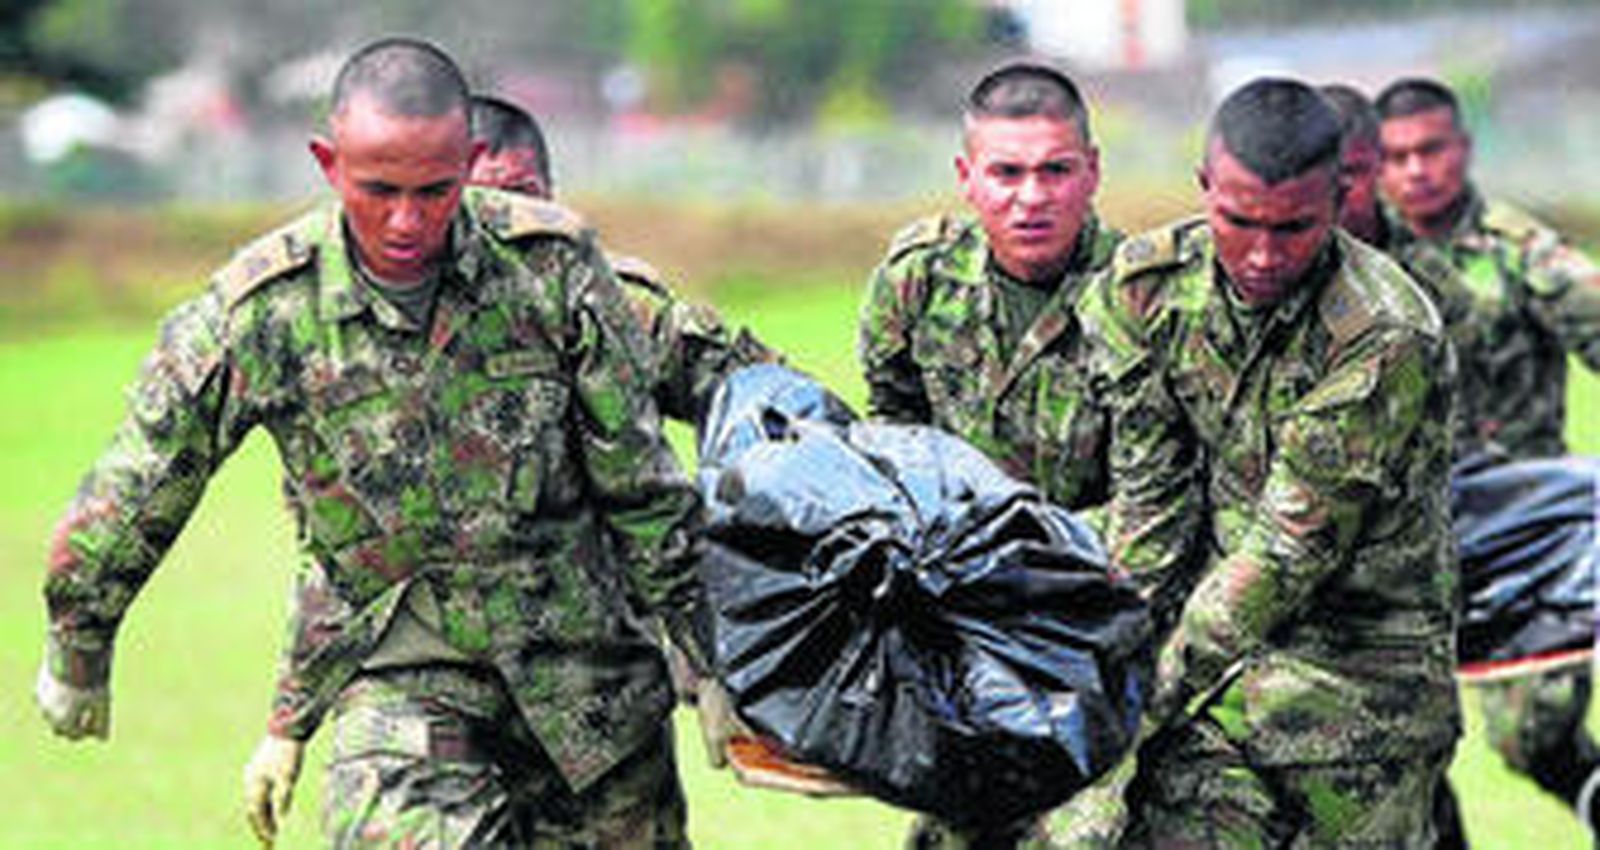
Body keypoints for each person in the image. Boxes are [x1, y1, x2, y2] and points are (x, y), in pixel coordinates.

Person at [36, 37, 708, 849]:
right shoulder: (266, 311)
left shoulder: (551, 270)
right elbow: (143, 478)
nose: (406, 220)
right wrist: (80, 638)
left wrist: (705, 655)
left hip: (590, 681)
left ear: (469, 162)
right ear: (329, 163)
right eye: (378, 189)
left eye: (434, 191)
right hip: (404, 682)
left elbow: (639, 481)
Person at [238, 92, 774, 846]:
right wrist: (288, 723)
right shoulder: (373, 328)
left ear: (551, 198)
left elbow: (768, 412)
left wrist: (722, 656)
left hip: (598, 691)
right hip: (432, 683)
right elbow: (336, 556)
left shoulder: (609, 303)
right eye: (476, 199)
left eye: (518, 198)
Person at [1079, 77, 1460, 847]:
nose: (1261, 253)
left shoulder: (1382, 332)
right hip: (1216, 676)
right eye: (1238, 220)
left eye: (1292, 228)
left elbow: (1286, 551)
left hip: (1359, 690)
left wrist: (1138, 702)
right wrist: (1110, 661)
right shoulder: (1147, 291)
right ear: (1204, 188)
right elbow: (1151, 502)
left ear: (1342, 195)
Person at [1378, 75, 1600, 839]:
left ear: (1463, 150)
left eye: (1431, 149)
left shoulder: (1518, 249)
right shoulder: (1359, 255)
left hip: (1522, 541)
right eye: (1396, 155)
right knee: (1393, 743)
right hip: (1404, 545)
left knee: (1530, 733)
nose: (1416, 170)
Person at [1321, 80, 1478, 850]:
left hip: (1398, 584)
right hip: (1297, 583)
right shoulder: (1270, 268)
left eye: (1350, 177)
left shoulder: (1427, 292)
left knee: (1404, 777)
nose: (1337, 196)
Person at [858, 60, 1120, 519]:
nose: (1033, 196)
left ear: (1093, 171)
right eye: (1007, 173)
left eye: (1056, 170)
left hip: (1097, 567)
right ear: (966, 177)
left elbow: (1156, 491)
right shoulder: (917, 280)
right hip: (953, 560)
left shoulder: (1140, 297)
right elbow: (893, 429)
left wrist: (1038, 555)